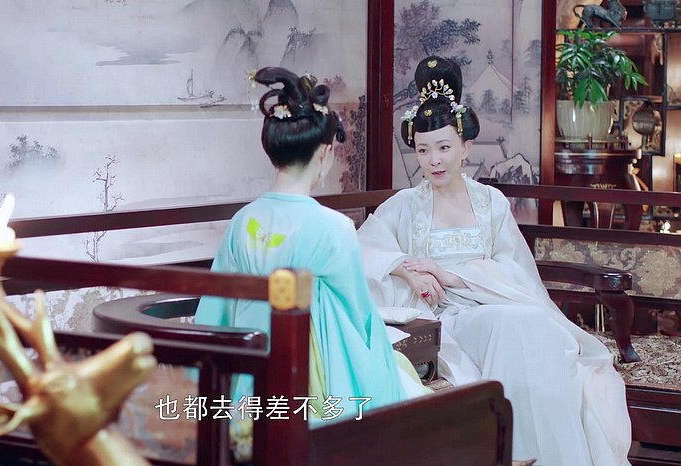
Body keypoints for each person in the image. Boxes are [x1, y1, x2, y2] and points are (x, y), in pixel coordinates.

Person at [357, 56, 632, 466]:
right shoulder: (405, 204)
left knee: (531, 324)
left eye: (444, 148)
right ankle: (512, 451)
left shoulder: (491, 202)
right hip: (444, 319)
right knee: (519, 326)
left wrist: (451, 274)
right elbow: (363, 250)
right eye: (424, 150)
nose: (434, 161)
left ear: (466, 148)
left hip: (490, 305)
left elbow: (516, 273)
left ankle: (531, 453)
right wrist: (407, 269)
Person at [194, 66, 429, 423]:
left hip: (251, 368)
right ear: (324, 154)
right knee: (401, 381)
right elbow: (358, 314)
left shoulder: (244, 221)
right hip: (315, 374)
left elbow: (216, 307)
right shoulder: (334, 227)